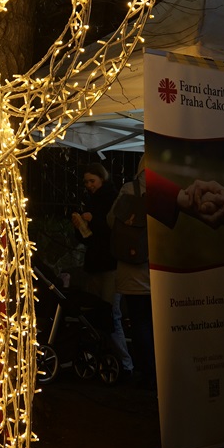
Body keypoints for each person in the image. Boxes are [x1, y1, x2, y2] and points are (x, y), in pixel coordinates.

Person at [71, 162, 135, 377]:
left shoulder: (112, 199)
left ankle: (125, 363)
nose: (89, 185)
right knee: (99, 313)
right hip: (96, 263)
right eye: (86, 182)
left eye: (92, 181)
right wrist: (80, 227)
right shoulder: (93, 200)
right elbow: (89, 238)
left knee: (110, 313)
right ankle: (108, 357)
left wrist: (93, 221)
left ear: (102, 179)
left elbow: (112, 230)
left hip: (109, 265)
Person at [106, 156, 155, 389]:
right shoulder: (169, 192)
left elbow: (110, 221)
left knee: (139, 324)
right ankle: (163, 374)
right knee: (159, 325)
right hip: (159, 272)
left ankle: (148, 375)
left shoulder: (128, 189)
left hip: (131, 272)